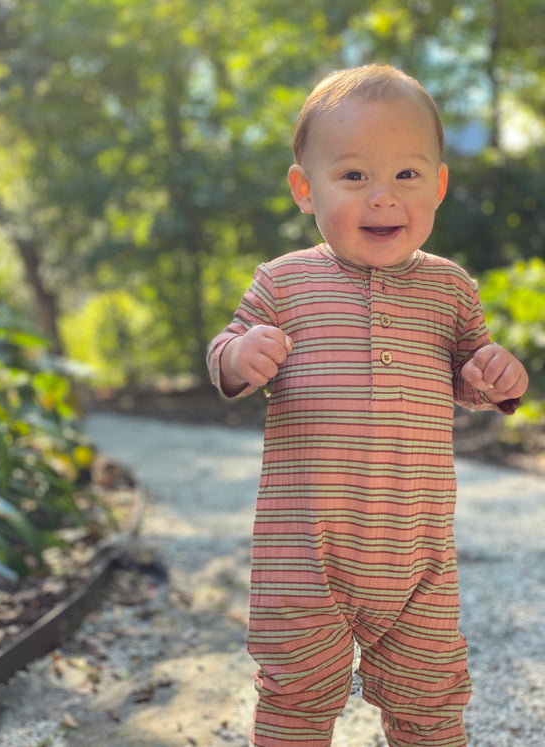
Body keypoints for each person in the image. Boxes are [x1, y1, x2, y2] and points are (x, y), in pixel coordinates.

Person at [206, 64, 528, 747]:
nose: (383, 196)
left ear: (437, 185)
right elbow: (225, 347)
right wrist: (239, 355)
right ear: (305, 188)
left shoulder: (450, 290)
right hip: (304, 549)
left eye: (407, 176)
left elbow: (476, 368)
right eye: (353, 176)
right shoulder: (284, 282)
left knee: (431, 699)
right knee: (296, 694)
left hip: (418, 557)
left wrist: (497, 373)